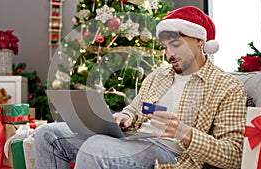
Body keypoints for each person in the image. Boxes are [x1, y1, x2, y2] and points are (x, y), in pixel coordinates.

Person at [35, 6, 247, 169]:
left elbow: (235, 155)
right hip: (135, 138)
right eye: (165, 47)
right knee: (47, 134)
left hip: (173, 153)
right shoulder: (158, 77)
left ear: (200, 41)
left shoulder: (228, 87)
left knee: (95, 148)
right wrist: (125, 117)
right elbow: (135, 110)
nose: (169, 55)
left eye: (175, 44)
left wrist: (185, 132)